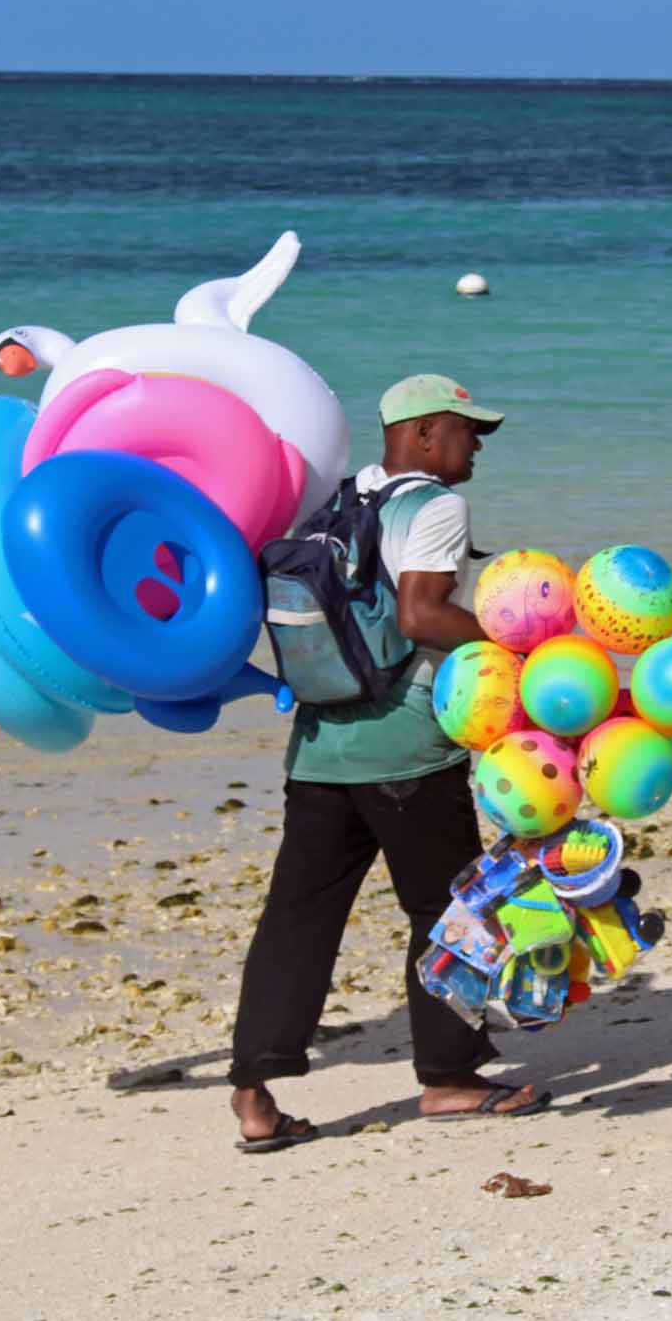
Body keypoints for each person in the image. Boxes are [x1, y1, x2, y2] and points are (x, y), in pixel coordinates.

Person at [228, 374, 549, 1151]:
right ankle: (448, 1078)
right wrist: (525, 653)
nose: (476, 447)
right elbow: (420, 614)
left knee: (297, 918)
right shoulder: (434, 507)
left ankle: (254, 1095)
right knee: (449, 912)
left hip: (318, 749)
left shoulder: (333, 502)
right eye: (469, 432)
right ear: (428, 432)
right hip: (405, 746)